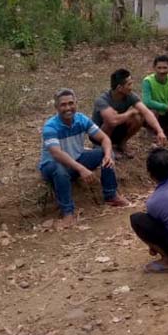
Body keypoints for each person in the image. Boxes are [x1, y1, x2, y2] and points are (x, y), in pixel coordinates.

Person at [39, 88, 130, 229]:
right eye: (63, 105)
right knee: (60, 169)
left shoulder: (81, 119)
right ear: (56, 107)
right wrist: (82, 169)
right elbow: (56, 153)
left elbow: (104, 138)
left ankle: (111, 195)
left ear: (76, 103)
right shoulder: (51, 127)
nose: (68, 108)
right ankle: (68, 212)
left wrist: (107, 155)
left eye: (71, 103)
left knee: (106, 153)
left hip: (76, 160)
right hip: (52, 166)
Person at [92, 69, 167, 158]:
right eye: (129, 84)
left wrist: (160, 131)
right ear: (119, 88)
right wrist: (130, 113)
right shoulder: (102, 100)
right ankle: (104, 146)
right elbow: (112, 121)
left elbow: (146, 112)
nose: (132, 87)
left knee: (138, 117)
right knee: (110, 121)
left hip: (116, 130)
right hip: (98, 134)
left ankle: (121, 144)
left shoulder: (130, 96)